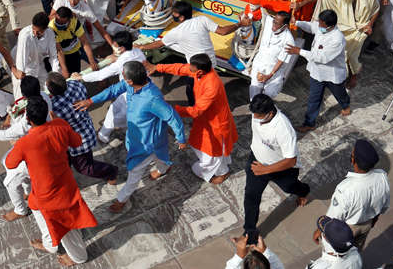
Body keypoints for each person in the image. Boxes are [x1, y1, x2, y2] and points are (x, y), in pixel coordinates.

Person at [75, 60, 186, 212]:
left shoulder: (152, 98)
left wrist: (181, 138)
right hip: (135, 135)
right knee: (159, 156)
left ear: (130, 80)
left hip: (147, 143)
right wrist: (90, 101)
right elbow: (113, 90)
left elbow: (173, 117)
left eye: (123, 75)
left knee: (134, 173)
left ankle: (122, 199)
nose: (121, 78)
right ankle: (163, 168)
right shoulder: (131, 85)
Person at [3, 97, 99, 265]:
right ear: (47, 113)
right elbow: (76, 141)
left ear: (28, 120)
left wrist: (18, 145)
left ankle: (78, 257)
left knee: (65, 226)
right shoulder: (60, 126)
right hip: (64, 181)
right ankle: (50, 243)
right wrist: (62, 125)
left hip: (48, 193)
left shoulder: (25, 142)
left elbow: (10, 163)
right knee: (34, 205)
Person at [151, 53, 238, 184]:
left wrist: (172, 110)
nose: (189, 69)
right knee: (203, 146)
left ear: (200, 71)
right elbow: (180, 68)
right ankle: (220, 168)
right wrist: (157, 67)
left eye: (192, 68)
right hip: (205, 119)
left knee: (212, 152)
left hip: (216, 124)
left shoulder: (212, 85)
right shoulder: (198, 72)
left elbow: (196, 110)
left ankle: (222, 172)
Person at [242, 93, 310, 239]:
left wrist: (265, 170)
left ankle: (304, 191)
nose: (256, 119)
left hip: (282, 168)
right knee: (251, 196)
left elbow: (291, 160)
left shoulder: (283, 128)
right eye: (254, 114)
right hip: (256, 161)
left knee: (289, 187)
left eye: (259, 116)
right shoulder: (256, 114)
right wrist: (260, 168)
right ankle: (250, 232)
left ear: (270, 113)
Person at [319, 139, 390, 251]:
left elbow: (333, 219)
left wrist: (320, 231)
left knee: (337, 254)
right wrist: (373, 221)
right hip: (367, 224)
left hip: (346, 230)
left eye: (352, 154)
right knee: (356, 251)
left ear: (353, 160)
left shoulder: (345, 189)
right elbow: (384, 205)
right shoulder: (382, 176)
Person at [312, 0, 380, 85]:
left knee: (353, 56)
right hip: (343, 29)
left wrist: (370, 24)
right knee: (341, 54)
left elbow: (376, 9)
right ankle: (338, 78)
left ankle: (354, 75)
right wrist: (301, 4)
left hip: (360, 31)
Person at [290, 9, 351, 131]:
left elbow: (322, 58)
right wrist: (296, 22)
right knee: (314, 98)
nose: (319, 26)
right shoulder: (321, 27)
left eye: (321, 24)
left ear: (330, 26)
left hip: (332, 74)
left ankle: (345, 105)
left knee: (340, 93)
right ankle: (309, 123)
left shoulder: (337, 39)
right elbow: (310, 27)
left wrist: (299, 51)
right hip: (317, 73)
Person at [247, 11, 296, 99]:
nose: (274, 25)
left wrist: (269, 75)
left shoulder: (289, 40)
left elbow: (281, 60)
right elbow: (262, 9)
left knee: (266, 99)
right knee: (254, 98)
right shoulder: (269, 22)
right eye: (274, 21)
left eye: (277, 23)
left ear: (285, 26)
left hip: (273, 74)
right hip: (258, 68)